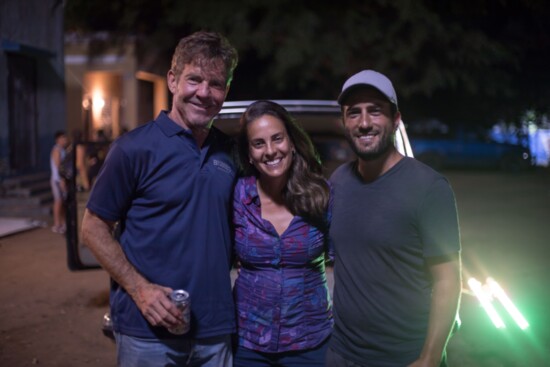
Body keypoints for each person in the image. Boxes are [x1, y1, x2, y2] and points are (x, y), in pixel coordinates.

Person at [80, 31, 239, 367]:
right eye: (194, 79)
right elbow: (93, 226)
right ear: (172, 80)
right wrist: (140, 290)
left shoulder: (229, 153)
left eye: (216, 83)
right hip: (146, 332)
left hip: (215, 330)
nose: (204, 93)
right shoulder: (132, 149)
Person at [326, 70, 462, 367]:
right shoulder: (338, 181)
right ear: (344, 122)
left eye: (375, 111)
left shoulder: (429, 188)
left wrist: (430, 357)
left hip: (404, 357)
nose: (364, 123)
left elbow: (448, 279)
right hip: (340, 354)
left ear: (396, 119)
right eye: (354, 113)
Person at [232, 100, 334, 366]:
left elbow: (349, 261)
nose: (270, 151)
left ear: (291, 142)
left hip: (310, 343)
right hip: (248, 343)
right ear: (249, 153)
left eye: (277, 139)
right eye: (258, 143)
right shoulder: (236, 196)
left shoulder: (321, 196)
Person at [50, 130, 68, 234]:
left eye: (65, 138)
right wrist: (61, 180)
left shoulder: (62, 150)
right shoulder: (57, 150)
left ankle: (63, 223)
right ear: (57, 140)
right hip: (57, 180)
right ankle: (57, 224)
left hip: (60, 179)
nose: (64, 140)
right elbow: (58, 166)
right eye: (62, 138)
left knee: (62, 202)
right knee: (58, 201)